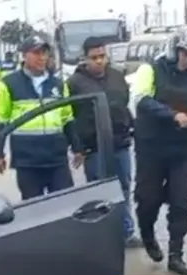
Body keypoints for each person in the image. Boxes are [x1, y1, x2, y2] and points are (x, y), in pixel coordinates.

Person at [130, 28, 187, 275]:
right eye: (186, 54)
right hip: (150, 150)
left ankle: (176, 255)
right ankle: (147, 235)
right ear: (175, 50)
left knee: (180, 203)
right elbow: (141, 101)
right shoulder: (150, 70)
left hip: (181, 152)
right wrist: (173, 116)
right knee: (148, 200)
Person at [66, 36, 143, 248]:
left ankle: (126, 232)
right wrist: (78, 148)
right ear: (85, 59)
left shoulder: (117, 76)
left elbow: (124, 104)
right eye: (94, 57)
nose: (99, 61)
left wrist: (131, 127)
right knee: (99, 193)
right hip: (93, 148)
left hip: (120, 144)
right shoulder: (75, 83)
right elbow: (70, 117)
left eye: (102, 56)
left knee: (123, 188)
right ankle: (101, 236)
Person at [0, 36, 82, 201]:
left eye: (45, 53)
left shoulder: (59, 85)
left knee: (65, 205)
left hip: (56, 158)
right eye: (36, 53)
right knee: (34, 210)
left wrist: (77, 148)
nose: (42, 57)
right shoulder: (8, 84)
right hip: (27, 160)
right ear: (24, 56)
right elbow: (0, 121)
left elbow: (67, 118)